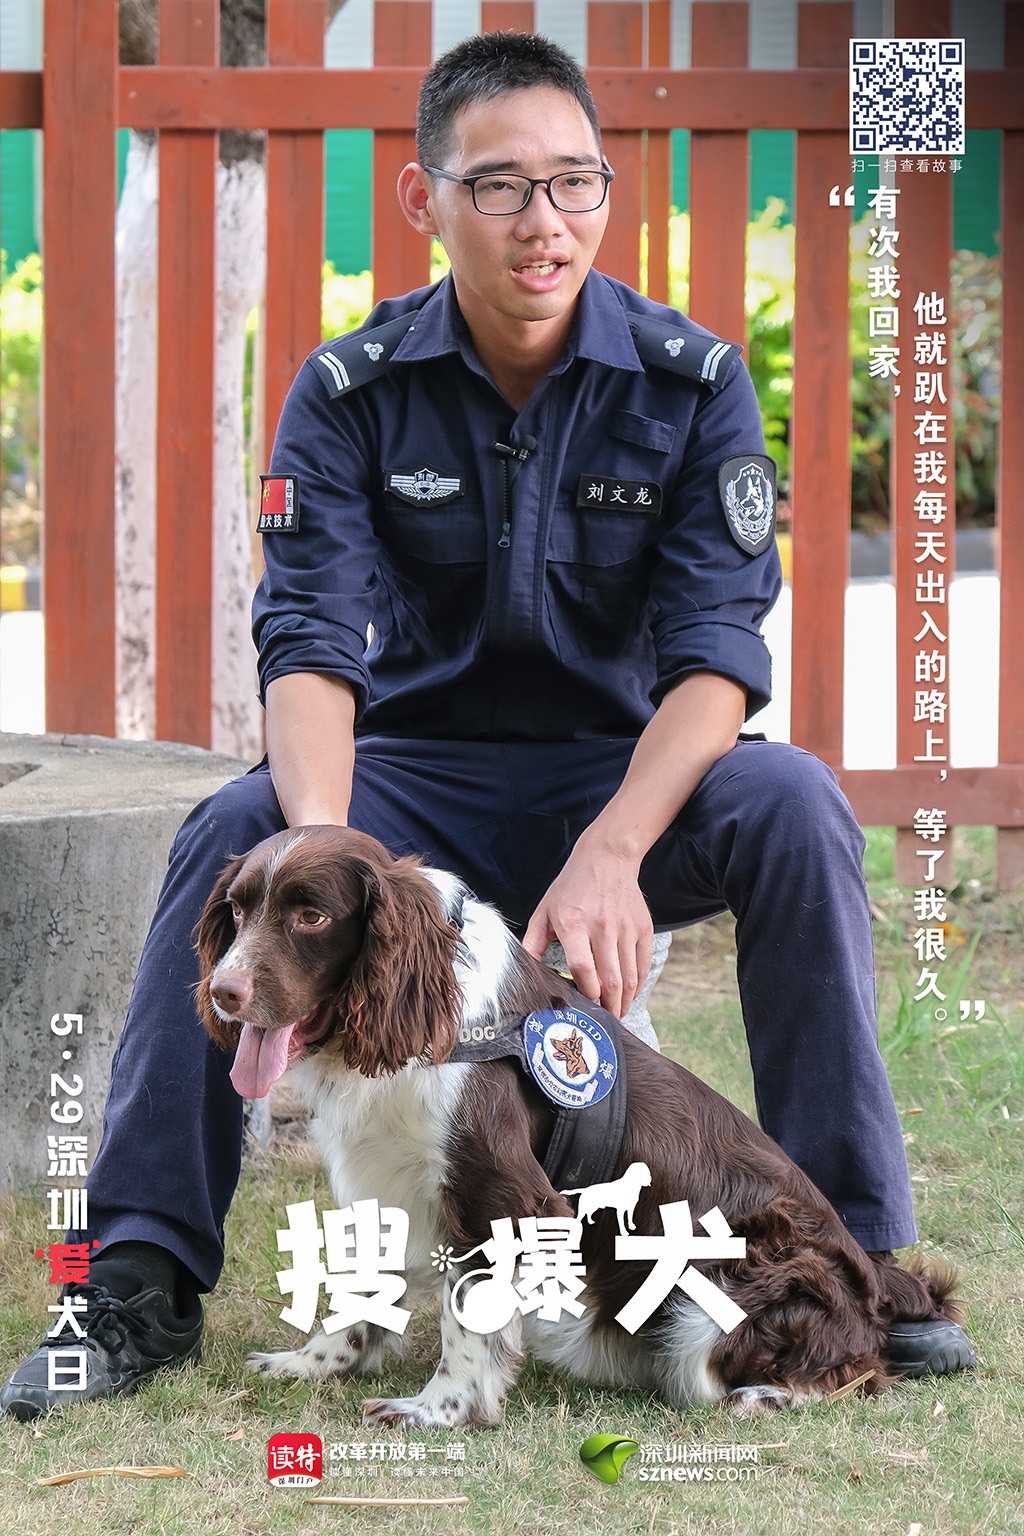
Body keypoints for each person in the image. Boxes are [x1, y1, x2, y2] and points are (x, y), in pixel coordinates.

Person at [3, 31, 973, 1422]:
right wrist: (329, 846)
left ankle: (857, 1263)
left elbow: (717, 658)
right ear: (425, 199)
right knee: (236, 827)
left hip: (627, 780)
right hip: (416, 786)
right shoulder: (351, 391)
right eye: (503, 185)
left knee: (798, 803)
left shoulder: (691, 383)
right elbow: (310, 643)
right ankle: (137, 1279)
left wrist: (616, 850)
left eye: (575, 183)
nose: (545, 220)